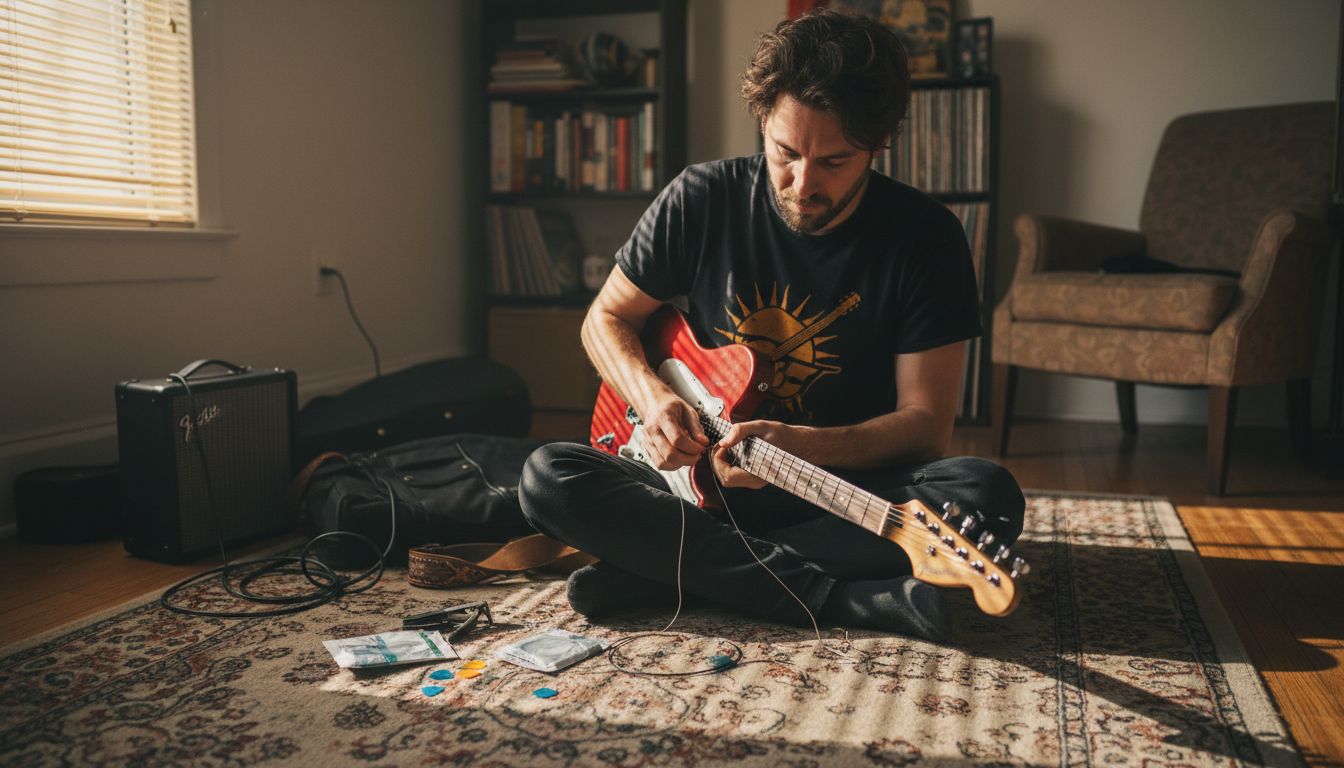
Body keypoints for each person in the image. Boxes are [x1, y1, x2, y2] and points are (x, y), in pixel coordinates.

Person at [519, 8, 1025, 643]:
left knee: (985, 493)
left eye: (835, 161)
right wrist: (651, 400)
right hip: (691, 485)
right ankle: (840, 597)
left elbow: (926, 427)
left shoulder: (928, 238)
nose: (802, 184)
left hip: (832, 487)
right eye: (786, 152)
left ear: (879, 143)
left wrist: (801, 445)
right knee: (547, 479)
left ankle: (668, 574)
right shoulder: (700, 198)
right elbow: (606, 318)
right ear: (762, 120)